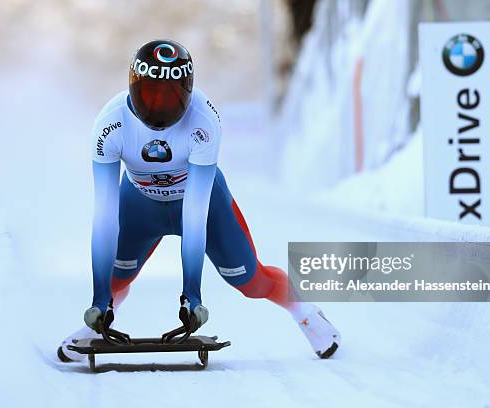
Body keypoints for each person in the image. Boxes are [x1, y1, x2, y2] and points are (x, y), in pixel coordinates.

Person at [58, 39, 340, 361]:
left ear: (188, 93)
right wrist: (99, 298)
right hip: (140, 203)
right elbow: (105, 215)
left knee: (250, 281)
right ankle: (98, 324)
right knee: (115, 280)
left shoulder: (204, 121)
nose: (158, 108)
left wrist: (192, 296)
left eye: (170, 97)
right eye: (150, 95)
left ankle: (304, 310)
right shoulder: (110, 124)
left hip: (200, 203)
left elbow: (195, 215)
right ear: (133, 87)